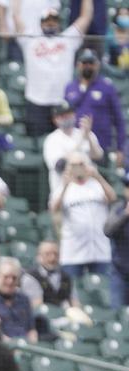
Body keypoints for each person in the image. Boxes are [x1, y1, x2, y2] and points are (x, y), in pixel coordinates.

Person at [15, 3, 93, 138]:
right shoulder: (30, 40)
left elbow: (85, 18)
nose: (50, 24)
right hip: (36, 102)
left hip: (61, 102)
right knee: (36, 143)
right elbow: (16, 16)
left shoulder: (68, 39)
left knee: (64, 142)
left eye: (54, 21)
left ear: (59, 23)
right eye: (47, 21)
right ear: (41, 23)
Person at [50, 151, 116, 278]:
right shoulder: (63, 187)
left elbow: (112, 198)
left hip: (100, 249)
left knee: (101, 291)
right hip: (73, 252)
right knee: (73, 291)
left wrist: (98, 176)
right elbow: (54, 208)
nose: (78, 168)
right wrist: (65, 184)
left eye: (81, 164)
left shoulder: (96, 185)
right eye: (73, 165)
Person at [62, 48, 126, 163]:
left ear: (97, 65)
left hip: (101, 146)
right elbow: (63, 116)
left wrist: (120, 149)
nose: (87, 66)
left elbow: (119, 120)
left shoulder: (106, 87)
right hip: (77, 147)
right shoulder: (70, 87)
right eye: (84, 63)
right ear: (78, 64)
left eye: (91, 63)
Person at [43, 102, 104, 197]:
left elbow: (98, 156)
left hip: (89, 190)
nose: (67, 118)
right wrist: (80, 141)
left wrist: (88, 137)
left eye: (69, 114)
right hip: (64, 192)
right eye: (63, 116)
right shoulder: (51, 140)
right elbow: (59, 165)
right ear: (55, 119)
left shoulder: (86, 133)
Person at [20, 239, 80, 310]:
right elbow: (37, 307)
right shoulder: (31, 277)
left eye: (56, 254)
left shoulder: (66, 277)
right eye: (47, 254)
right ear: (39, 257)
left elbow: (75, 304)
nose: (52, 258)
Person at [0, 257, 37, 342]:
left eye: (14, 278)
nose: (10, 281)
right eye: (6, 277)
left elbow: (31, 329)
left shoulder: (24, 299)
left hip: (25, 346)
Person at [104, 175, 129, 311]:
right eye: (127, 186)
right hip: (120, 272)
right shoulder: (118, 209)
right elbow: (107, 230)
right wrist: (125, 215)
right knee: (117, 312)